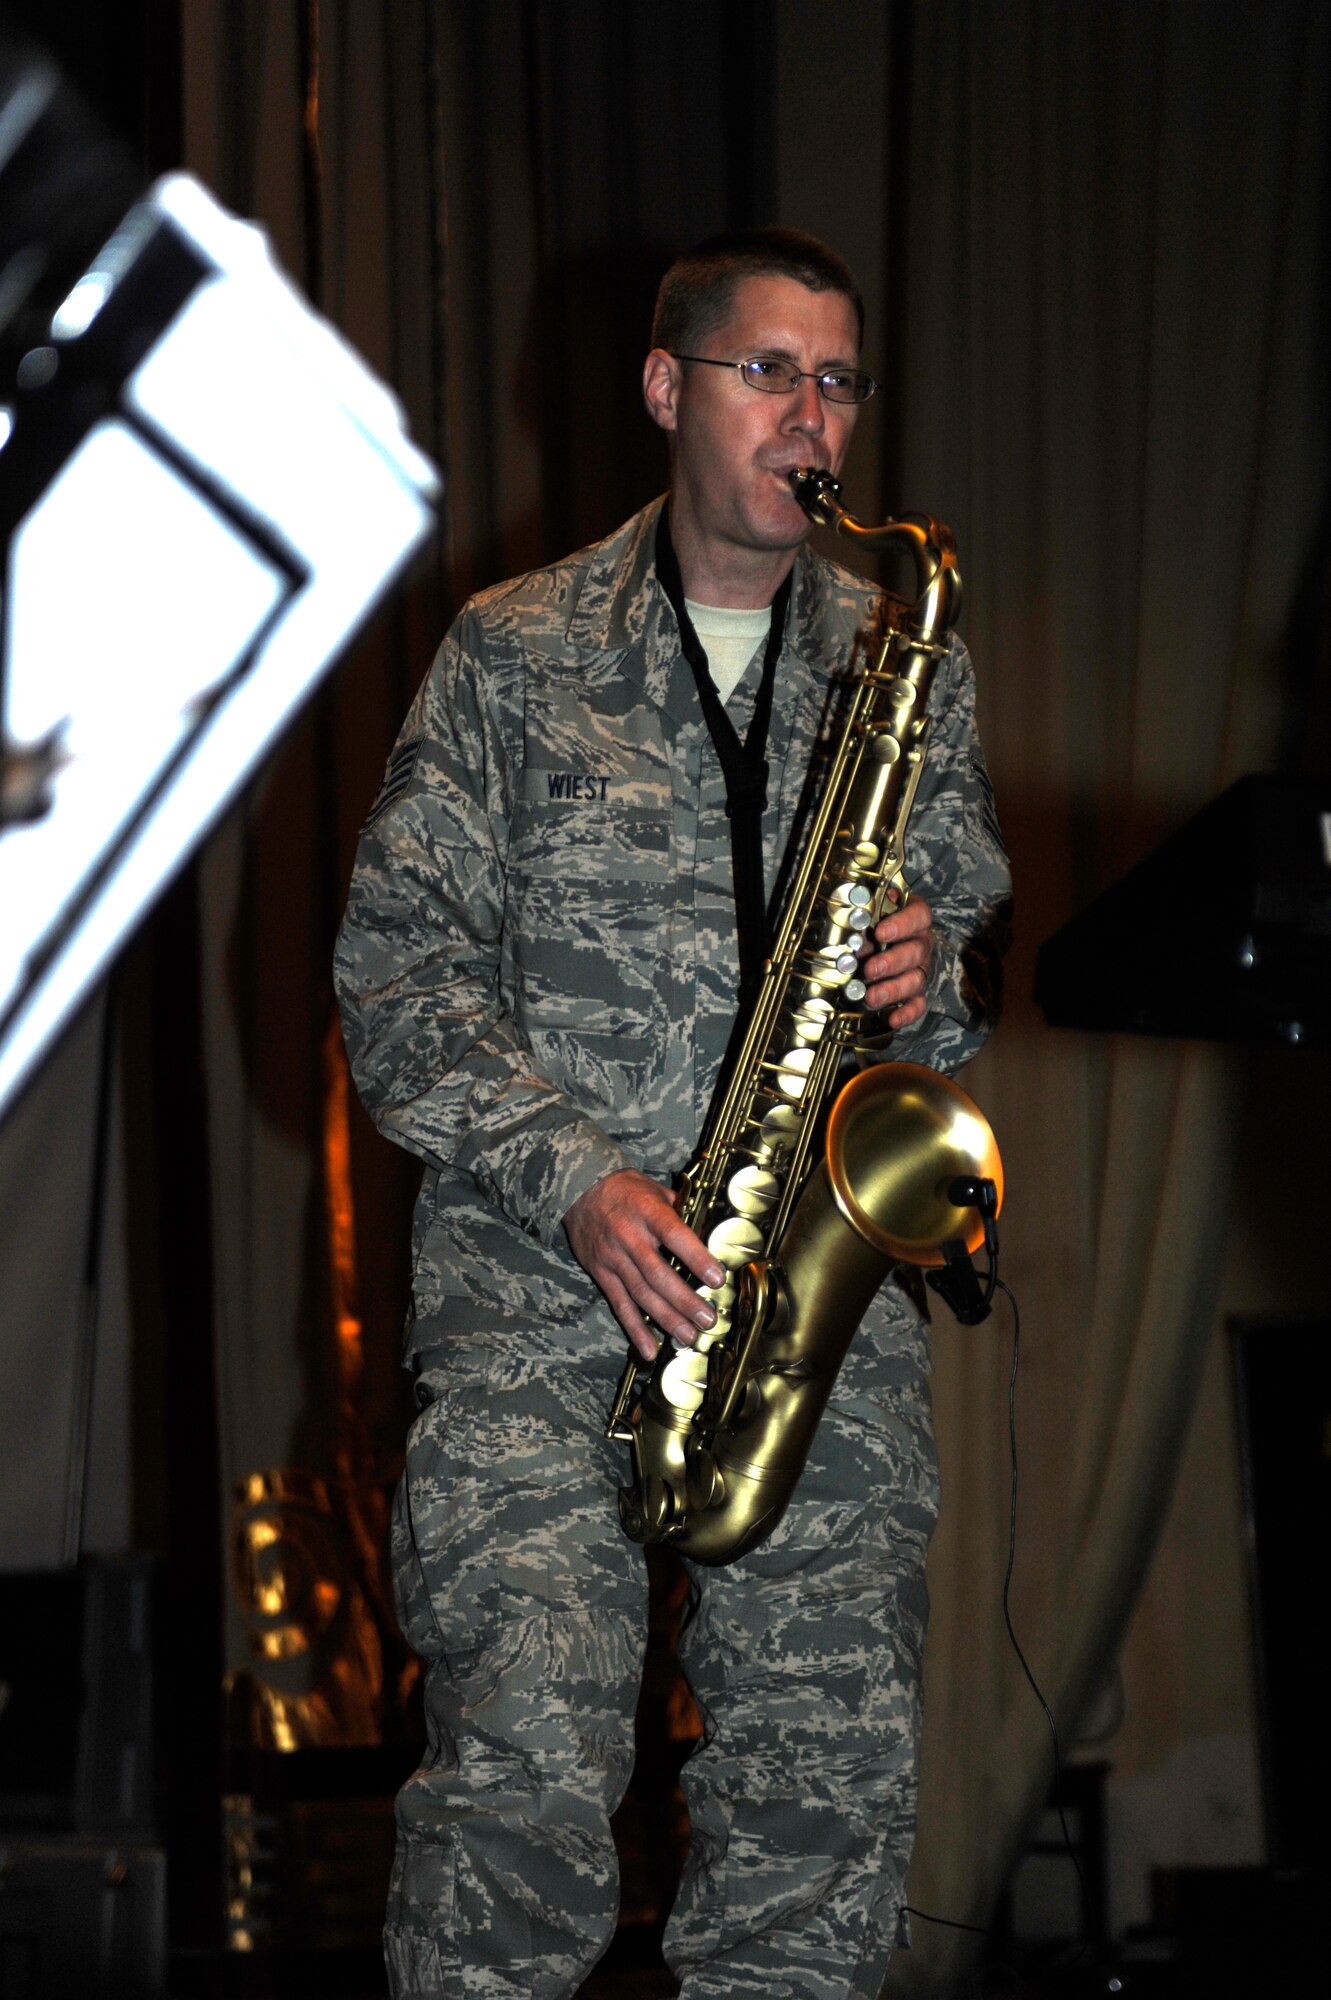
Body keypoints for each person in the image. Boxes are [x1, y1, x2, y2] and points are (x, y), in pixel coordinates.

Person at [335, 227, 1010, 2000]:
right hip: (543, 1317)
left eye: (841, 382)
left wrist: (930, 974)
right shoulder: (510, 654)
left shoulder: (902, 656)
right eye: (770, 373)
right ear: (666, 388)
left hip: (810, 1322)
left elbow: (961, 981)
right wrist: (574, 1180)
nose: (815, 422)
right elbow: (391, 983)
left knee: (822, 1822)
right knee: (522, 1809)